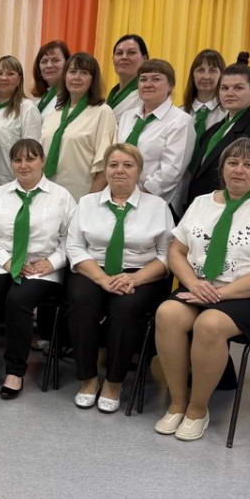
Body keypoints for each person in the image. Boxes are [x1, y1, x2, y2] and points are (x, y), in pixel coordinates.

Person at [153, 138, 250, 441]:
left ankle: (197, 410)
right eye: (233, 162)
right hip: (200, 288)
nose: (239, 170)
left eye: (248, 164)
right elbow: (176, 251)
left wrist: (219, 295)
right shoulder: (201, 203)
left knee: (210, 323)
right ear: (222, 168)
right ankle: (177, 403)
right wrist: (193, 283)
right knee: (168, 313)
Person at [65, 143, 173, 412]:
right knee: (81, 301)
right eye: (113, 165)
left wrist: (136, 279)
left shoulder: (158, 206)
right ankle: (88, 379)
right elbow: (75, 247)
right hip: (94, 268)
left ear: (139, 171)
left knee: (126, 308)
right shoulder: (88, 203)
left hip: (140, 272)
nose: (119, 171)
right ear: (105, 170)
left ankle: (114, 382)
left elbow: (167, 254)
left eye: (128, 165)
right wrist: (102, 278)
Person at [0, 138, 73, 399]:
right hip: (1, 262)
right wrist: (6, 261)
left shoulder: (61, 197)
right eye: (17, 160)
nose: (24, 165)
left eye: (30, 159)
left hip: (41, 266)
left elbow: (72, 238)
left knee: (17, 301)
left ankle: (15, 371)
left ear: (42, 161)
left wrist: (53, 262)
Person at [181, 57, 250, 207]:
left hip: (234, 209)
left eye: (238, 88)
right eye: (224, 88)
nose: (229, 93)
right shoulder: (214, 129)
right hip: (202, 207)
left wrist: (234, 208)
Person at [40, 52, 117, 201]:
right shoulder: (54, 114)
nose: (77, 77)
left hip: (81, 196)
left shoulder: (102, 112)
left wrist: (88, 203)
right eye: (72, 71)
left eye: (84, 73)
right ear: (65, 76)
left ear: (93, 80)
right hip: (48, 198)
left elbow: (105, 165)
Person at [114, 59, 193, 203]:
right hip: (120, 195)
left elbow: (171, 171)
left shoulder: (181, 121)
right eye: (143, 79)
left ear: (170, 85)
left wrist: (139, 195)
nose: (148, 84)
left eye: (156, 79)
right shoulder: (127, 116)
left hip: (153, 200)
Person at [0, 55, 42, 186]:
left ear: (19, 80)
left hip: (14, 183)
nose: (3, 78)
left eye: (10, 74)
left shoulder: (27, 108)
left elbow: (31, 152)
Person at [181, 48, 227, 143]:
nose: (206, 76)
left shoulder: (227, 115)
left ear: (222, 75)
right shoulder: (179, 113)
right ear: (193, 75)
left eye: (212, 71)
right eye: (201, 70)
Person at [106, 34, 146, 119]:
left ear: (144, 59)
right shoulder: (112, 94)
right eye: (119, 53)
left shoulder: (147, 94)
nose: (124, 57)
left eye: (131, 52)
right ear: (113, 59)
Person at [30, 40, 70, 119]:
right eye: (44, 61)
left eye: (55, 60)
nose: (49, 65)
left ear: (68, 63)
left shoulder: (72, 97)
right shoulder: (39, 100)